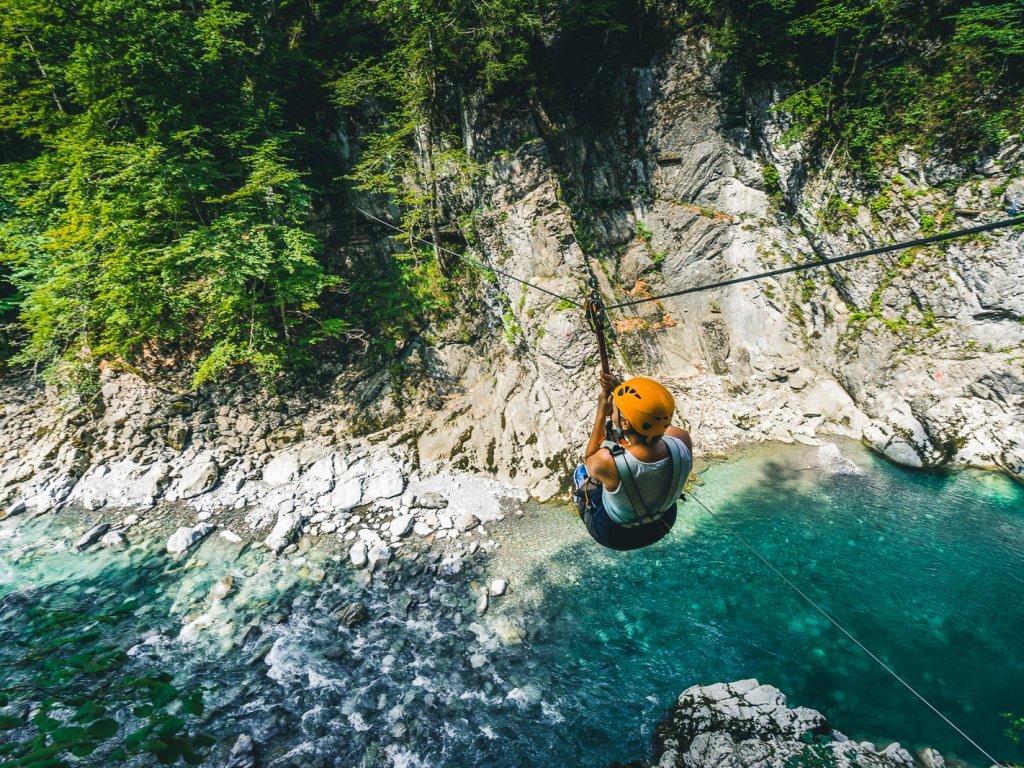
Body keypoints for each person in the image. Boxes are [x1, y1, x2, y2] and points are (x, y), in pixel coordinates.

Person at [573, 371, 693, 551]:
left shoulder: (609, 461)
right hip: (663, 523)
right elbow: (652, 420)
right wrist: (623, 392)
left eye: (615, 410)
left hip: (616, 535)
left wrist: (600, 413)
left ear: (626, 424)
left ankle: (580, 494)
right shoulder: (682, 440)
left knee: (583, 475)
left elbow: (590, 459)